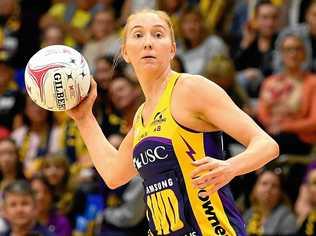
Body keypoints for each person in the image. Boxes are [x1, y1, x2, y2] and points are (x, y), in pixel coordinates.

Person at [67, 9, 279, 235]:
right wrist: (84, 117)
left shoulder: (190, 88)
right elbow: (113, 175)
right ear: (125, 52)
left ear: (172, 49)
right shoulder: (142, 116)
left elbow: (267, 145)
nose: (148, 42)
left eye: (158, 35)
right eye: (138, 35)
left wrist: (230, 167)